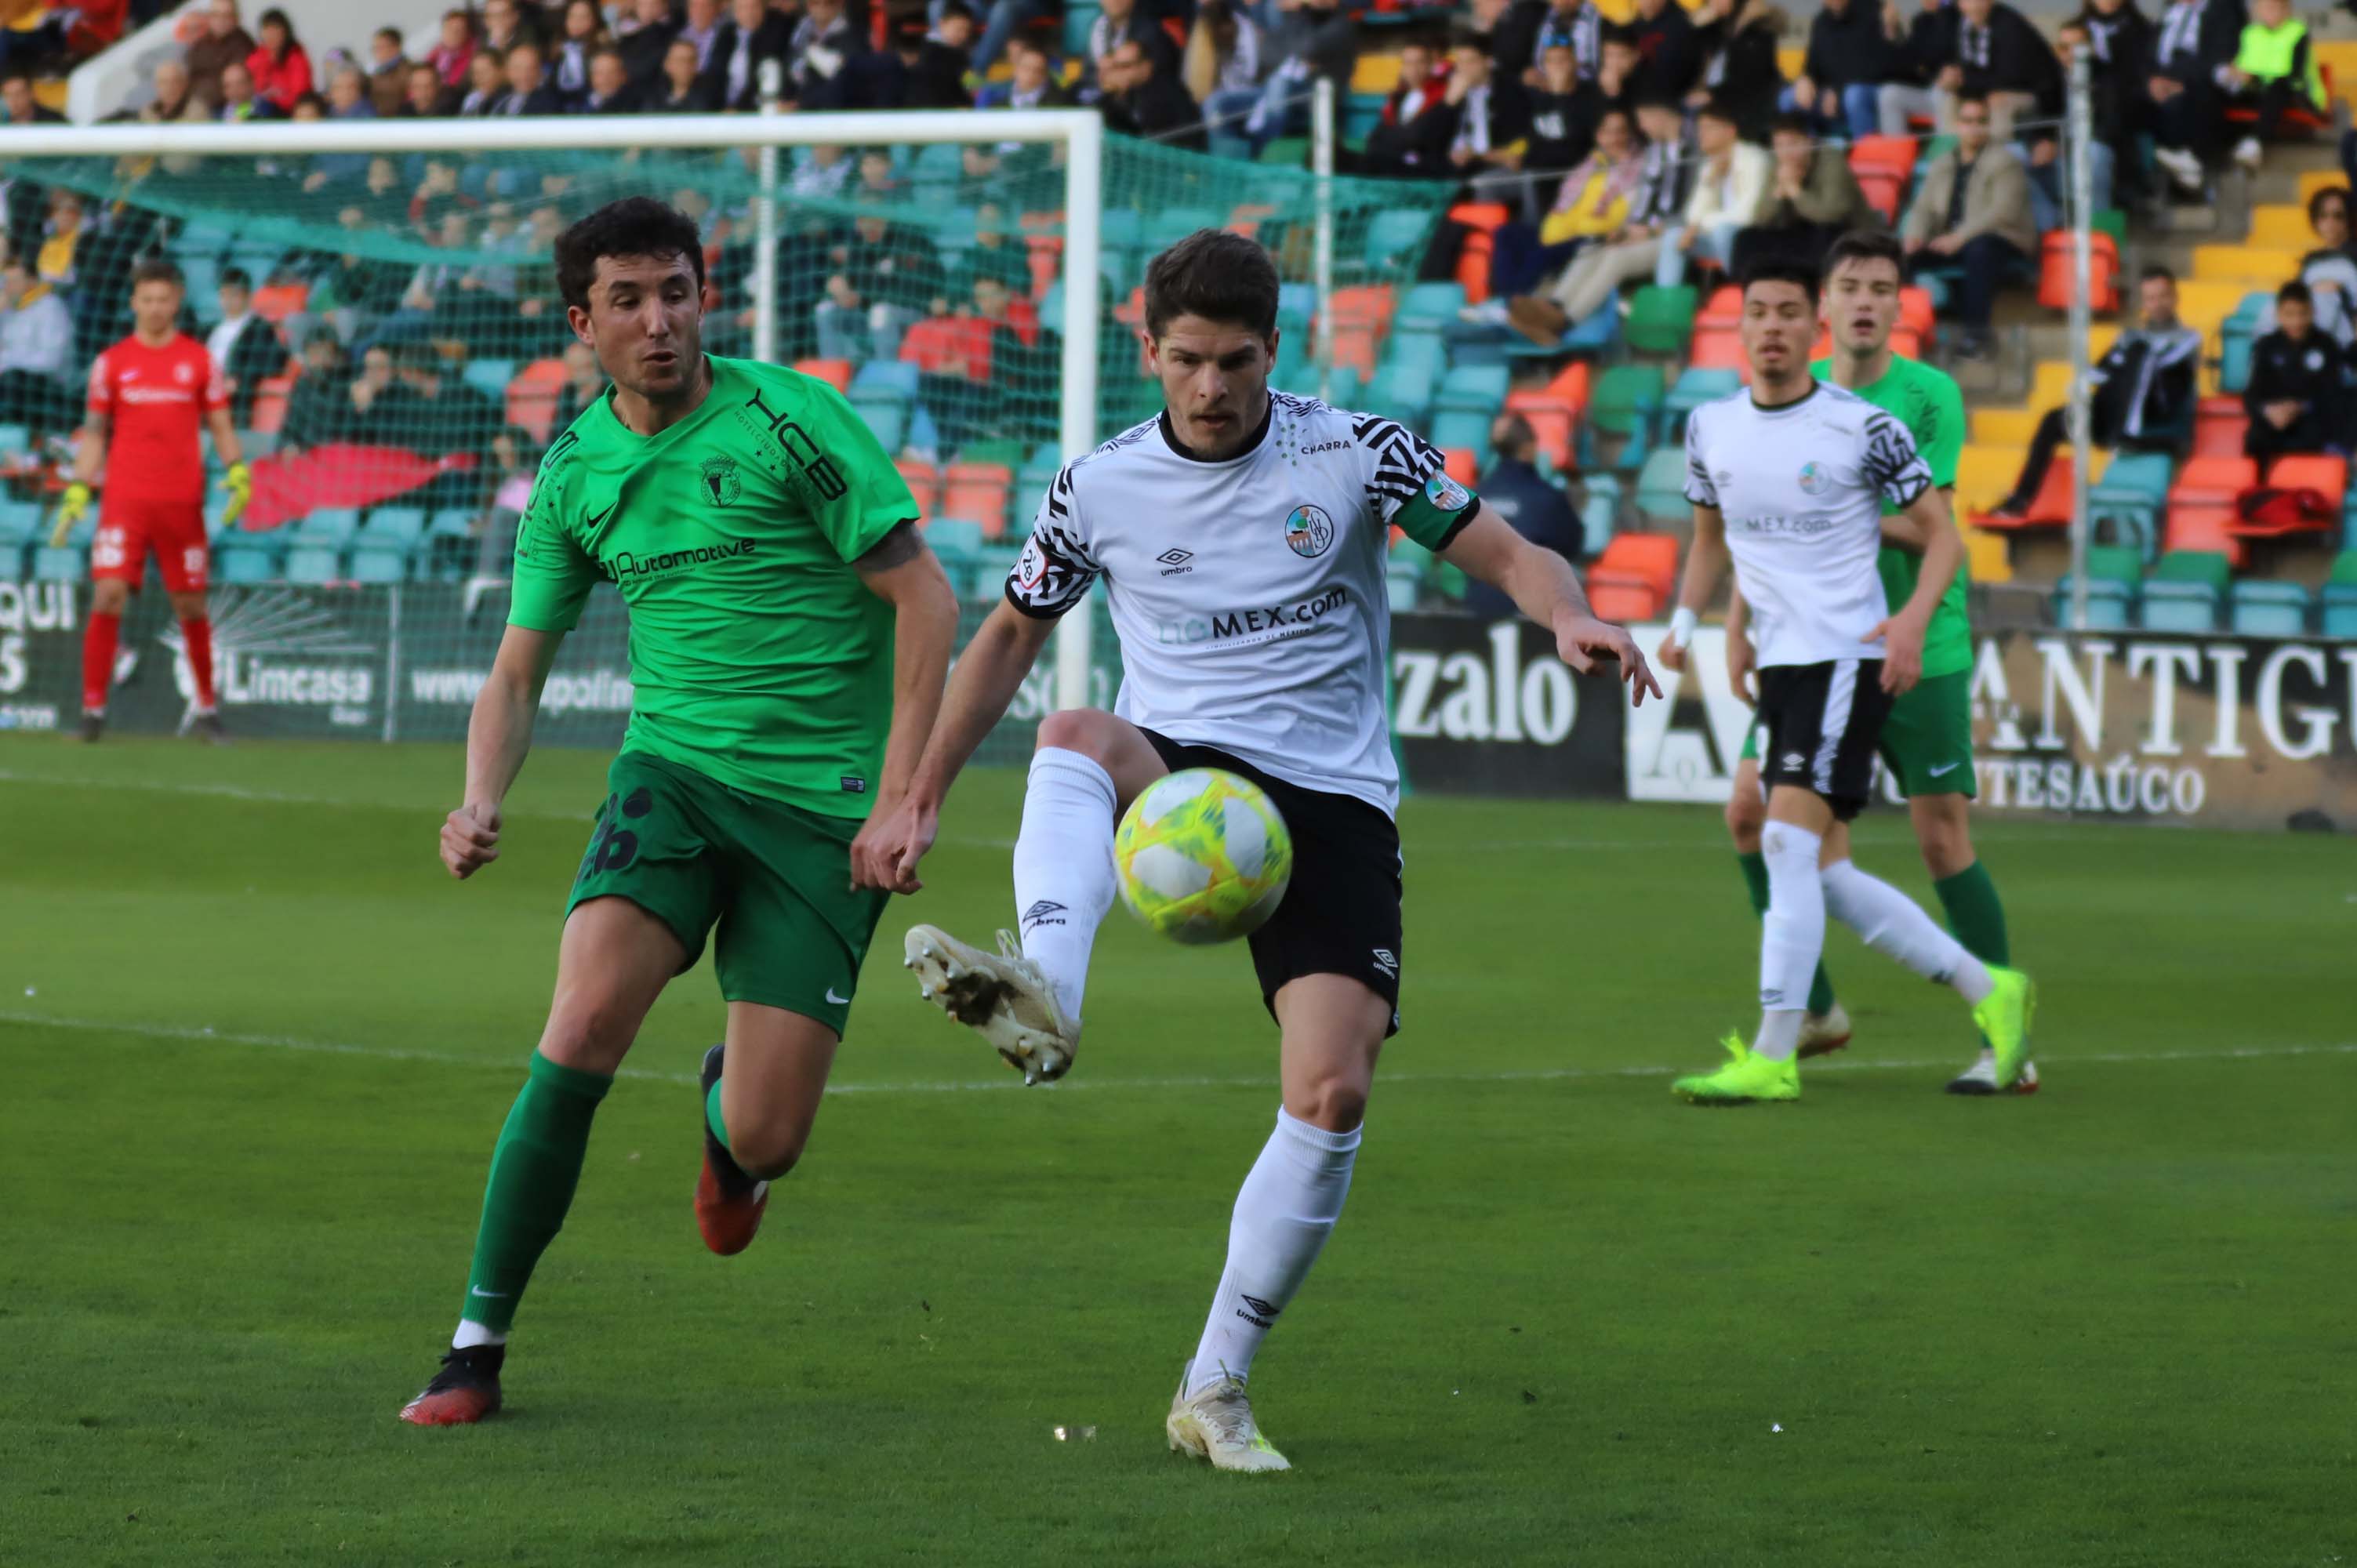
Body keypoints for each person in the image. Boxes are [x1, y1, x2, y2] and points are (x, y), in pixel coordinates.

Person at [866, 228, 1657, 1470]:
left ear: (1272, 351)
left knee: (1332, 1094)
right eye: (1185, 361)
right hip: (1179, 772)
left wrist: (1569, 611)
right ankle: (1048, 994)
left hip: (1331, 800)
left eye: (1235, 361)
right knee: (1076, 726)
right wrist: (915, 795)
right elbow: (1011, 638)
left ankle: (1213, 1384)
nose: (1211, 387)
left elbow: (1506, 553)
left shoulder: (1352, 450)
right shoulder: (1098, 485)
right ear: (1148, 353)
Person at [395, 196, 960, 1428]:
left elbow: (924, 601)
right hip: (674, 779)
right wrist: (480, 797)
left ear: (706, 296)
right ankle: (473, 1345)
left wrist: (907, 799)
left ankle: (724, 1128)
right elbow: (515, 669)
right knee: (584, 1015)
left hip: (822, 817)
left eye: (679, 293)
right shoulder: (575, 473)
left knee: (769, 1139)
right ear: (580, 323)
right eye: (631, 301)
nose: (661, 322)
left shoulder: (790, 421)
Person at [1662, 256, 2033, 1105]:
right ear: (1741, 325)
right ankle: (1991, 988)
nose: (1773, 327)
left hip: (1844, 656)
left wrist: (1908, 623)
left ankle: (1775, 1049)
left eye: (1790, 312)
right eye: (1758, 311)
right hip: (1784, 660)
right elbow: (1711, 539)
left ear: (1812, 326)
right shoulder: (1711, 425)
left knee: (1790, 841)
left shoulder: (1862, 426)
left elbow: (1942, 537)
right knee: (1807, 861)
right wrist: (1696, 625)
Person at [50, 262, 249, 745]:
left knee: (190, 604)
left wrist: (237, 469)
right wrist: (79, 487)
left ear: (176, 300)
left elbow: (221, 424)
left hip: (182, 501)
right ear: (134, 302)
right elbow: (96, 432)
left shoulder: (199, 361)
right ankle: (93, 712)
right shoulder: (112, 362)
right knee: (107, 594)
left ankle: (206, 709)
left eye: (164, 299)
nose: (156, 307)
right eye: (147, 299)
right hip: (125, 501)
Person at [1990, 267, 2200, 516]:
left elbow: (2160, 361)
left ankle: (2125, 432)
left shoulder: (2188, 338)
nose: (2157, 304)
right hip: (2114, 423)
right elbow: (2099, 372)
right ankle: (2020, 499)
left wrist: (2130, 355)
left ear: (2175, 297)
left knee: (2141, 355)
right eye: (2150, 298)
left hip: (2156, 422)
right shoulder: (2130, 337)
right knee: (2054, 420)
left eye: (2162, 296)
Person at [1516, 93, 1694, 336]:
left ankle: (1565, 321)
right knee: (1591, 248)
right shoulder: (1655, 152)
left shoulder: (1694, 151)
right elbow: (1641, 203)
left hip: (1671, 235)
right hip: (1641, 232)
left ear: (1659, 115)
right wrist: (1625, 231)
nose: (1641, 127)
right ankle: (1553, 306)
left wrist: (1652, 230)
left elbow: (1696, 207)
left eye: (1644, 120)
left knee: (1615, 259)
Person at [1899, 93, 2033, 360]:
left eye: (1981, 121)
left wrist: (1960, 237)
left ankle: (1977, 337)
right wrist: (1914, 235)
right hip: (1953, 240)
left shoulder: (2005, 161)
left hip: (2001, 239)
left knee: (1979, 250)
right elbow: (1923, 207)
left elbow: (2002, 212)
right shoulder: (1944, 163)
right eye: (1968, 120)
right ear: (1958, 124)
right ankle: (1907, 332)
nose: (1974, 127)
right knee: (1899, 257)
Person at [1733, 111, 1880, 276]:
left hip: (1846, 233)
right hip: (1801, 233)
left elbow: (1831, 214)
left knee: (1823, 236)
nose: (1786, 152)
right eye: (1780, 145)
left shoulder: (1831, 159)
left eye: (1793, 143)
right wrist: (1777, 194)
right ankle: (1742, 290)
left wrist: (1795, 192)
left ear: (1809, 142)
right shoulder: (1776, 164)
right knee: (1746, 237)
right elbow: (1760, 218)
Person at [1465, 412, 1582, 617]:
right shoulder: (1547, 497)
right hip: (1530, 612)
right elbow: (1572, 544)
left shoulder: (1477, 495)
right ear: (1528, 448)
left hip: (1477, 606)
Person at [1656, 96, 1768, 288]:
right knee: (1673, 236)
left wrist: (1699, 226)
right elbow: (1692, 215)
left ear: (1730, 131)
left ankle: (1745, 290)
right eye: (1700, 129)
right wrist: (1710, 183)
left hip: (1751, 239)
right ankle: (1666, 304)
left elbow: (1747, 214)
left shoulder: (1754, 158)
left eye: (1709, 128)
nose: (1701, 135)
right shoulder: (1709, 164)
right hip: (1718, 239)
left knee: (1721, 231)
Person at [2243, 281, 2348, 467]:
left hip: (2312, 420)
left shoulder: (2327, 345)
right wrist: (2269, 411)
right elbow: (2253, 393)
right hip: (2275, 420)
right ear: (2278, 315)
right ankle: (2261, 491)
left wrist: (2300, 407)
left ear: (2313, 312)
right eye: (2290, 315)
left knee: (2317, 435)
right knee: (2255, 437)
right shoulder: (2266, 346)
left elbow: (2333, 393)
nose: (2297, 322)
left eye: (2303, 313)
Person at [2148, 0, 2243, 195]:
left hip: (2200, 84)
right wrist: (2151, 81)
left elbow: (2220, 57)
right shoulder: (2169, 12)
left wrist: (2180, 79)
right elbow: (2147, 55)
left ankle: (2188, 164)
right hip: (2160, 81)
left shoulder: (2225, 8)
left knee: (2184, 101)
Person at [2223, 0, 2323, 172]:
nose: (2270, 13)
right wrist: (2237, 74)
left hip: (2295, 93)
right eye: (2265, 8)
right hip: (2257, 89)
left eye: (2275, 8)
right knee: (2219, 89)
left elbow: (2295, 75)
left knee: (2278, 87)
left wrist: (2255, 77)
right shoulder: (2250, 33)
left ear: (2287, 11)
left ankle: (2255, 143)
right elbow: (2241, 66)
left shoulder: (2298, 33)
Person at [1786, 0, 1892, 140]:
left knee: (1854, 95)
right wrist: (1805, 78)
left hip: (1868, 89)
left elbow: (1872, 68)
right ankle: (1810, 152)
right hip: (1830, 93)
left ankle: (1864, 154)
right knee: (1788, 98)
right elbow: (1812, 65)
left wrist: (1838, 90)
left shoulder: (1871, 14)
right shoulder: (1820, 22)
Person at [1442, 27, 1532, 184]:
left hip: (1493, 164)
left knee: (1482, 183)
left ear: (1488, 61)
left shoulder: (1510, 92)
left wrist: (1478, 155)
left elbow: (1518, 141)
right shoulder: (1450, 91)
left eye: (1471, 61)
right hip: (1455, 165)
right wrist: (1449, 104)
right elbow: (1430, 138)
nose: (1464, 69)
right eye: (1460, 63)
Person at [1687, 0, 1785, 143]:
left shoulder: (1758, 31)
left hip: (1747, 106)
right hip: (1718, 98)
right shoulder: (1718, 28)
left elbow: (1749, 80)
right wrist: (1696, 25)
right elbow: (1684, 59)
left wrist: (1713, 94)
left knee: (1695, 115)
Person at [205, 267, 287, 427]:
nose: (228, 300)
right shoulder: (209, 329)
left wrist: (239, 380)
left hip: (234, 397)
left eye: (234, 295)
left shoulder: (259, 328)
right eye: (224, 295)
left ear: (248, 296)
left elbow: (274, 362)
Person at [1360, 38, 1453, 178]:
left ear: (1430, 65)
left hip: (1423, 170)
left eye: (1419, 63)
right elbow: (1376, 138)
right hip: (1393, 165)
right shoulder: (1399, 97)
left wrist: (1393, 139)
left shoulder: (1442, 98)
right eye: (1408, 63)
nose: (1413, 69)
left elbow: (1417, 137)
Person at [0, 255, 71, 433]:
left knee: (12, 380)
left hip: (47, 384)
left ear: (31, 281)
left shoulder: (50, 308)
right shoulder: (9, 311)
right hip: (11, 379)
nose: (7, 287)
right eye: (4, 281)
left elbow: (50, 361)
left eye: (13, 281)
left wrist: (7, 363)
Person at [1189, 0, 1266, 161]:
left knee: (1217, 105)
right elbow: (1197, 86)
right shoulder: (1203, 26)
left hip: (1257, 93)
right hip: (1226, 97)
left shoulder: (1245, 23)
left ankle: (1231, 180)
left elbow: (1253, 72)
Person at [1102, 38, 1208, 151]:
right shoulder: (1128, 92)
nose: (1119, 73)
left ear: (1146, 66)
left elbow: (1142, 130)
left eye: (1126, 66)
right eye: (1116, 66)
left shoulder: (1165, 91)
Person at [1878, 0, 1959, 136]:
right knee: (1889, 94)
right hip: (1927, 89)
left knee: (1941, 95)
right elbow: (1908, 64)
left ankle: (1945, 154)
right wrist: (1892, 31)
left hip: (1954, 93)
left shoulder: (1960, 17)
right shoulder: (1921, 21)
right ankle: (1897, 152)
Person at [2290, 186, 2357, 349]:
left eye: (2338, 216)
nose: (2330, 223)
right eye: (2323, 216)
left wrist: (2339, 291)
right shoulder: (2311, 261)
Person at [706, 0, 794, 109]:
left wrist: (737, 109)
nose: (749, 13)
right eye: (743, 8)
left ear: (763, 9)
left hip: (755, 108)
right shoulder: (727, 35)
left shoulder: (776, 34)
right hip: (723, 109)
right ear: (735, 12)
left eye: (754, 7)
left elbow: (758, 78)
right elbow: (714, 73)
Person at [185, 0, 256, 107]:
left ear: (236, 19)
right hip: (195, 105)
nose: (221, 20)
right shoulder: (201, 43)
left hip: (226, 109)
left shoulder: (243, 44)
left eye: (226, 16)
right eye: (216, 15)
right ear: (209, 17)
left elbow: (235, 85)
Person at [245, 8, 313, 114]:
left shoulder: (296, 58)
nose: (271, 35)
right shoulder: (257, 57)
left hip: (289, 112)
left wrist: (275, 97)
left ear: (285, 32)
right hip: (260, 108)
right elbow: (250, 88)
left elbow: (300, 94)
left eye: (275, 29)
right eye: (267, 29)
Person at [550, 0, 613, 108]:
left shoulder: (602, 49)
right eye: (573, 16)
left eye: (583, 17)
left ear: (594, 20)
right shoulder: (557, 49)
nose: (577, 22)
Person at [616, 0, 678, 89]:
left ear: (665, 6)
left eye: (654, 4)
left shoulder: (673, 33)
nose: (649, 10)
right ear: (636, 8)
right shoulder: (627, 37)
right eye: (643, 5)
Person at [368, 26, 414, 116]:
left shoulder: (407, 72)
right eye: (375, 48)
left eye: (381, 47)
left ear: (396, 47)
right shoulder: (378, 73)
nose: (377, 52)